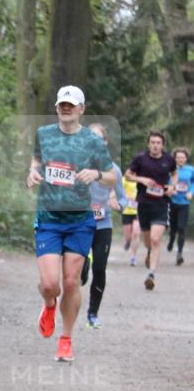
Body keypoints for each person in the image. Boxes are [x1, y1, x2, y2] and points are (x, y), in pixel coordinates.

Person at [27, 86, 114, 362]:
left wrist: (97, 173)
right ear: (57, 108)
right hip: (50, 218)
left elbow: (112, 175)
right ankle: (49, 302)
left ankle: (65, 339)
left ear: (81, 109)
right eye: (62, 104)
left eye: (71, 104)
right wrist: (32, 172)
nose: (66, 108)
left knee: (71, 281)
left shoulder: (92, 141)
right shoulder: (44, 135)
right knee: (51, 283)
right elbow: (37, 159)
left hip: (79, 220)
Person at [79, 124, 127, 328]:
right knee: (78, 273)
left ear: (105, 143)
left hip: (103, 225)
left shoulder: (113, 169)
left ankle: (93, 313)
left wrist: (118, 205)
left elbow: (124, 200)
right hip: (80, 224)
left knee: (100, 269)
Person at [125, 132, 177, 290]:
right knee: (147, 240)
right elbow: (128, 175)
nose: (155, 145)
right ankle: (148, 252)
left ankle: (151, 274)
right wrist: (142, 179)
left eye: (158, 142)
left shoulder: (169, 160)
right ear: (148, 144)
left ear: (163, 144)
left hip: (161, 204)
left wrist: (172, 186)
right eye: (153, 142)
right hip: (144, 204)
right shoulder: (141, 159)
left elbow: (174, 174)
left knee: (155, 239)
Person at [167, 147, 194, 265]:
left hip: (184, 203)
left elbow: (193, 182)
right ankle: (171, 240)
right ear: (175, 158)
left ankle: (179, 254)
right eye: (178, 158)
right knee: (173, 228)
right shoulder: (170, 170)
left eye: (182, 157)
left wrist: (191, 192)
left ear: (186, 158)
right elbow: (166, 182)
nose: (180, 159)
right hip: (173, 202)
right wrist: (170, 189)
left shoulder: (191, 170)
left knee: (181, 228)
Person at [121, 174, 140, 266]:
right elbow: (118, 191)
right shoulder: (124, 179)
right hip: (127, 211)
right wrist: (127, 197)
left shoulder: (142, 179)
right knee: (128, 236)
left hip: (138, 211)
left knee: (136, 233)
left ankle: (133, 257)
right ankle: (128, 241)